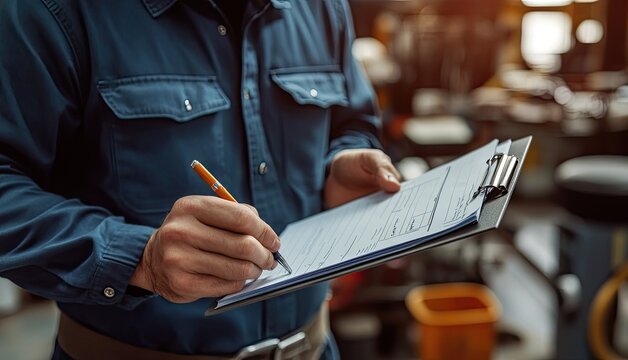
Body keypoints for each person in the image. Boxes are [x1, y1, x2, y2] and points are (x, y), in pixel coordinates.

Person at [0, 0, 401, 359]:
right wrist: (140, 260)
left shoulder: (321, 7)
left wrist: (336, 166)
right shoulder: (54, 12)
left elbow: (352, 122)